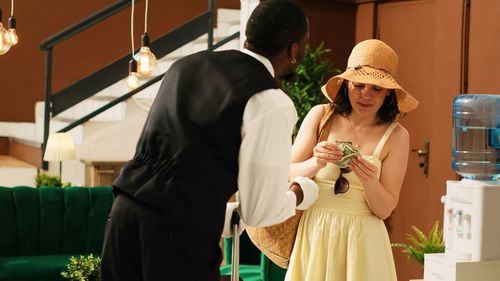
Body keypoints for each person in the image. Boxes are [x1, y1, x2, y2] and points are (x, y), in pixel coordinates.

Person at [100, 1, 319, 280]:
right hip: (177, 236)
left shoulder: (185, 66)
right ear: (294, 49)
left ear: (247, 37)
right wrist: (300, 193)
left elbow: (183, 167)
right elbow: (260, 212)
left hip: (123, 215)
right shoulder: (271, 101)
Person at [285, 39, 419, 281]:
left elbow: (385, 208)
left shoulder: (397, 136)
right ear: (346, 84)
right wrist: (316, 162)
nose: (366, 95)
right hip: (316, 233)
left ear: (389, 92)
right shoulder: (320, 116)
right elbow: (288, 172)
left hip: (364, 242)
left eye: (376, 88)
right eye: (359, 85)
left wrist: (369, 180)